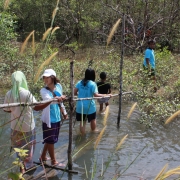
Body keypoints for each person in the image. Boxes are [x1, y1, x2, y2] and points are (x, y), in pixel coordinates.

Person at [3, 71, 52, 174]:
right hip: (27, 127)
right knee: (29, 148)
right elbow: (37, 107)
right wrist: (50, 101)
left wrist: (14, 109)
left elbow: (6, 109)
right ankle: (29, 166)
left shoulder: (9, 93)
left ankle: (21, 168)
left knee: (18, 148)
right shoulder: (26, 93)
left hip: (15, 127)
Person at [40, 69, 67, 166]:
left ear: (53, 78)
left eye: (48, 77)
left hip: (57, 118)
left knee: (50, 139)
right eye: (44, 77)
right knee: (51, 140)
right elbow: (48, 100)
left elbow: (61, 102)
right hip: (49, 119)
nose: (46, 79)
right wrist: (58, 98)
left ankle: (43, 156)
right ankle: (53, 161)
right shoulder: (43, 90)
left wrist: (64, 112)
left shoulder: (59, 86)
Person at [74, 68, 112, 135]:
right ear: (93, 75)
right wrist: (106, 95)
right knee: (93, 119)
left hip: (80, 106)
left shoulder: (79, 83)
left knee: (82, 122)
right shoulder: (93, 84)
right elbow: (96, 95)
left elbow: (74, 93)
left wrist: (81, 94)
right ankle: (93, 132)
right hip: (89, 106)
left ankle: (82, 135)